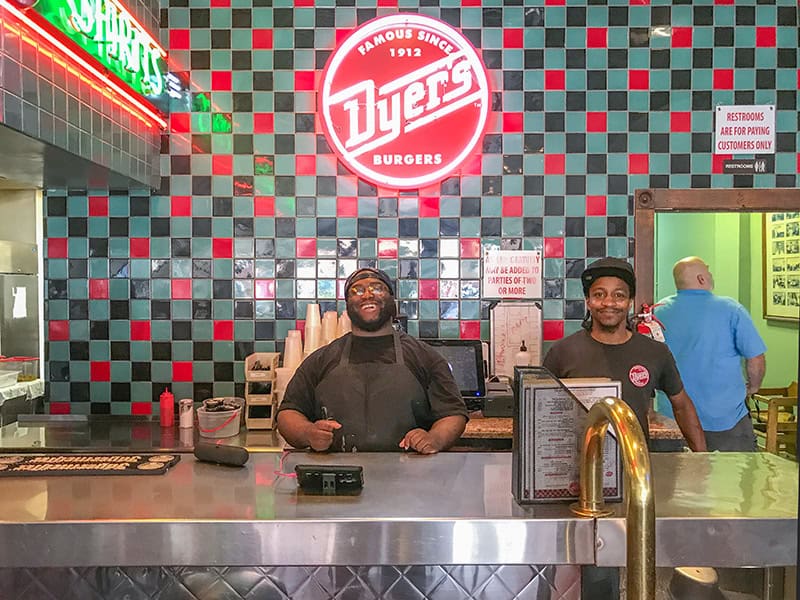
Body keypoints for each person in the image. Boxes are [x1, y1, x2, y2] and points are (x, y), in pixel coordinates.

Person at [276, 267, 468, 453]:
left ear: (392, 300)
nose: (367, 295)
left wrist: (435, 438)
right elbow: (288, 414)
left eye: (377, 287)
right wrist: (307, 433)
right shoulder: (321, 359)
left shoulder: (424, 356)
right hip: (337, 477)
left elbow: (453, 414)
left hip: (410, 477)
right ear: (348, 305)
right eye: (357, 290)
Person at [542, 257, 707, 452]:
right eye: (599, 294)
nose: (608, 302)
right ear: (588, 301)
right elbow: (544, 414)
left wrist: (702, 459)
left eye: (619, 295)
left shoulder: (655, 352)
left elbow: (681, 405)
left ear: (630, 302)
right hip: (578, 469)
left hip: (634, 468)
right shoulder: (562, 352)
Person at [654, 256, 767, 452]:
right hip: (726, 419)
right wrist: (753, 387)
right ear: (701, 279)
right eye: (708, 270)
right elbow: (755, 359)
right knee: (734, 478)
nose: (710, 274)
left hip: (673, 419)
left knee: (676, 480)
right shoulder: (732, 310)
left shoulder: (658, 311)